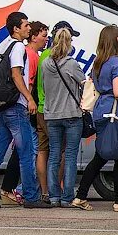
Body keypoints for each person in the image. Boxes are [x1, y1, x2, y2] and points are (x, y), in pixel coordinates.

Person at [0, 12, 50, 209]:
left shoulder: (3, 46)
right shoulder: (17, 48)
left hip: (2, 107)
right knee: (26, 152)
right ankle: (32, 197)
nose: (28, 28)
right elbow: (16, 75)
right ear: (16, 28)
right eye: (25, 25)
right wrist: (29, 98)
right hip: (16, 107)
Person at [72, 25, 118, 212]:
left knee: (102, 154)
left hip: (101, 109)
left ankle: (81, 195)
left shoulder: (98, 62)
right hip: (115, 111)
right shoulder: (117, 63)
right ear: (116, 40)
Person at [41, 27, 84, 207]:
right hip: (72, 113)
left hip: (51, 114)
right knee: (71, 156)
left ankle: (53, 196)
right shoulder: (72, 64)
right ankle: (67, 197)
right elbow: (84, 84)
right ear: (69, 44)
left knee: (54, 156)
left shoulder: (45, 63)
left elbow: (44, 87)